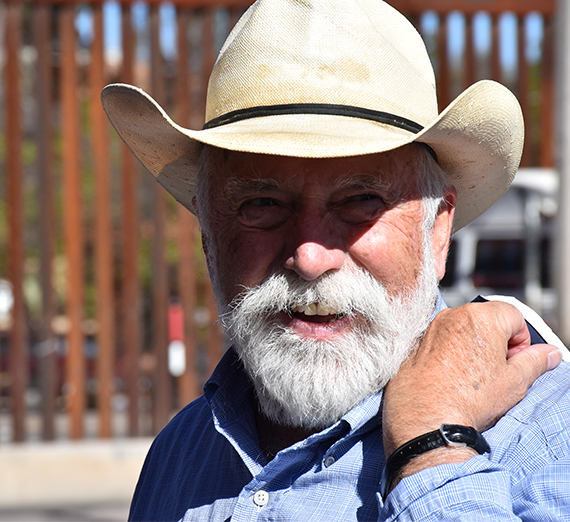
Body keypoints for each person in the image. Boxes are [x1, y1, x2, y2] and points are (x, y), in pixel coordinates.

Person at [102, 0, 570, 520]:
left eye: (360, 201)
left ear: (437, 230)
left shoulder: (548, 437)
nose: (309, 257)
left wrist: (433, 444)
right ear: (208, 236)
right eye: (262, 204)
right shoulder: (181, 451)